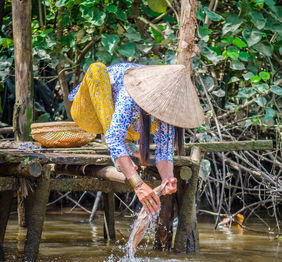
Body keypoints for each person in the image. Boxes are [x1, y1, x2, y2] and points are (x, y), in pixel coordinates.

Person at [69, 62, 204, 215]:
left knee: (123, 133)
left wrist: (168, 178)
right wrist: (138, 185)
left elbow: (164, 151)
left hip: (126, 127)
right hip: (89, 109)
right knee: (96, 69)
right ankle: (120, 151)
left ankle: (123, 149)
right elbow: (113, 138)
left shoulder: (167, 106)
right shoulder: (131, 92)